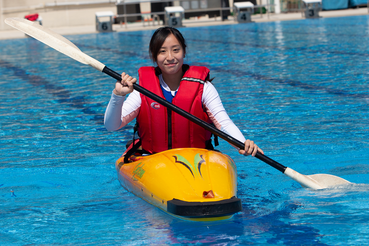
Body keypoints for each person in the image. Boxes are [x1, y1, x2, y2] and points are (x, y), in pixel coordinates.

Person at [104, 26, 263, 157]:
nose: (170, 57)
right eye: (162, 51)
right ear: (154, 57)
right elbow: (112, 125)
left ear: (184, 52)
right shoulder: (142, 91)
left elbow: (224, 123)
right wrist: (118, 95)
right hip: (154, 159)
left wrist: (242, 144)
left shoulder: (204, 88)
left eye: (175, 50)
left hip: (198, 158)